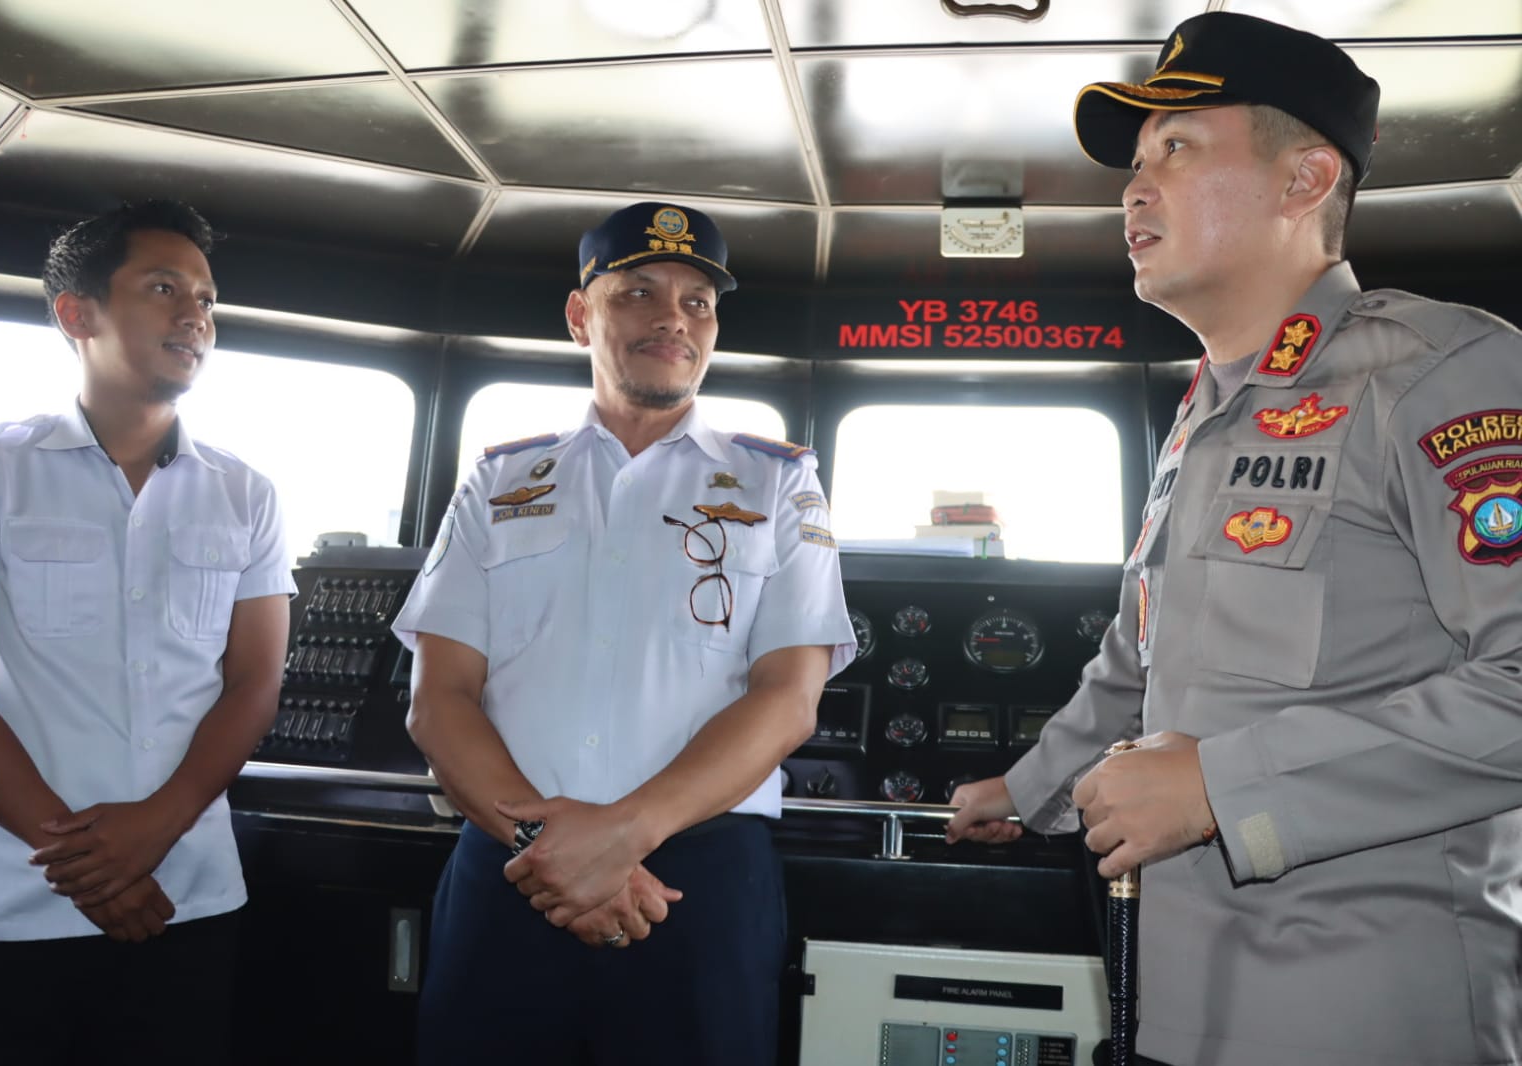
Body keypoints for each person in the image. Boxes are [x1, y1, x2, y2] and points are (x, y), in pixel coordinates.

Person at [945, 13, 1522, 1066]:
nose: (1133, 187)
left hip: (1365, 1016)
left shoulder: (1437, 376)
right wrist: (1022, 792)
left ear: (1304, 181)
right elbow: (1139, 669)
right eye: (1134, 162)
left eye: (1177, 147)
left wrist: (1221, 787)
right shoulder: (1205, 411)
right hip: (1174, 996)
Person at [393, 200, 855, 1065]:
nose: (671, 318)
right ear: (580, 316)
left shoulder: (779, 484)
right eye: (638, 292)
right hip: (512, 869)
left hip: (698, 880)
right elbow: (439, 698)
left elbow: (788, 700)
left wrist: (622, 836)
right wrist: (554, 850)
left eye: (696, 301)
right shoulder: (497, 483)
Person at [0, 200, 295, 1065]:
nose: (195, 316)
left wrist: (157, 827)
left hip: (186, 897)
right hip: (3, 906)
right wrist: (89, 867)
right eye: (164, 288)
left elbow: (254, 686)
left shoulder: (248, 494)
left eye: (205, 298)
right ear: (75, 313)